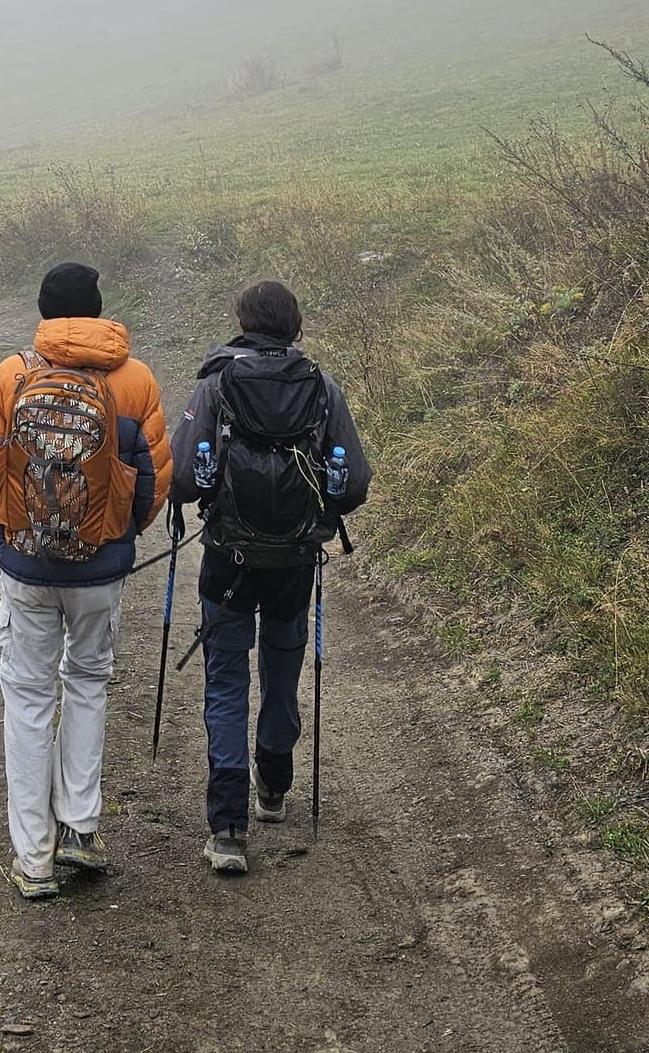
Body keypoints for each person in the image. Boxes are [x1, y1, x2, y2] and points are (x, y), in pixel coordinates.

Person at [0, 260, 172, 899]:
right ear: (99, 310)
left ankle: (33, 860)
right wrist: (119, 535)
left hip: (27, 567)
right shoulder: (134, 380)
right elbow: (155, 477)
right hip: (100, 568)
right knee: (87, 683)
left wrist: (10, 533)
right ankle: (80, 828)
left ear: (44, 311)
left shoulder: (12, 374)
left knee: (27, 699)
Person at [169, 278, 369, 875]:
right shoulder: (322, 388)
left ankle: (227, 826)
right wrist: (322, 513)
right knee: (282, 672)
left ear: (242, 321)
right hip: (294, 563)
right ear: (295, 325)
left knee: (226, 681)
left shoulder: (215, 385)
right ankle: (274, 786)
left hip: (227, 560)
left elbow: (182, 474)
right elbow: (354, 481)